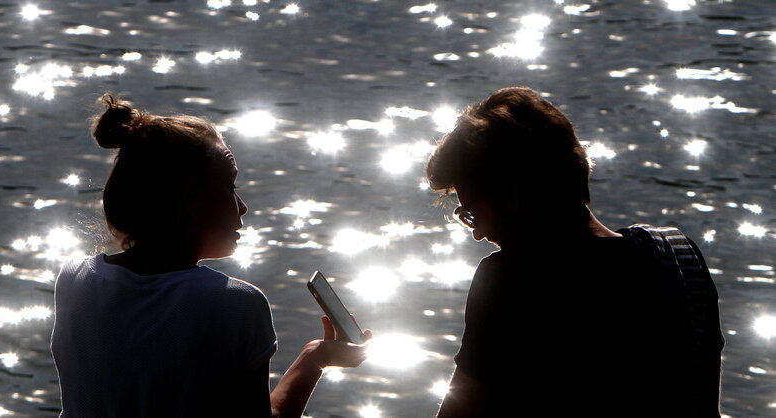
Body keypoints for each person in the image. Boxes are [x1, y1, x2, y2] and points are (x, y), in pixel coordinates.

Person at [50, 94, 371, 417]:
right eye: (231, 187)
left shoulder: (75, 280)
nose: (242, 206)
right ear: (192, 196)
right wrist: (315, 359)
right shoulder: (234, 304)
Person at [425, 87, 724, 417]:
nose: (478, 233)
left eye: (473, 214)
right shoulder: (680, 258)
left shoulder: (512, 280)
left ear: (515, 195)